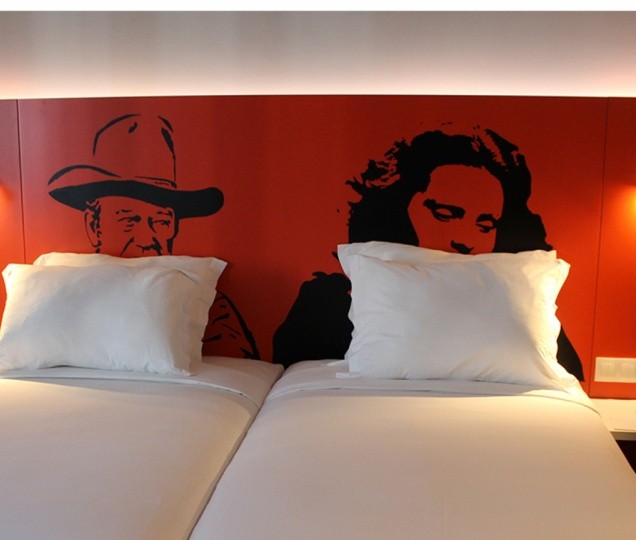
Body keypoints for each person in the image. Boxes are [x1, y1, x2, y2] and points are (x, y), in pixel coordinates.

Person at [272, 126, 584, 381]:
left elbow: (570, 369)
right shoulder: (326, 301)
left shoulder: (514, 300)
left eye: (485, 224)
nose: (465, 240)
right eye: (446, 214)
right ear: (401, 205)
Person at [48, 113, 259, 359]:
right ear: (94, 225)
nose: (147, 238)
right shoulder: (63, 299)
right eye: (129, 220)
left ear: (174, 227)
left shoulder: (208, 307)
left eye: (161, 221)